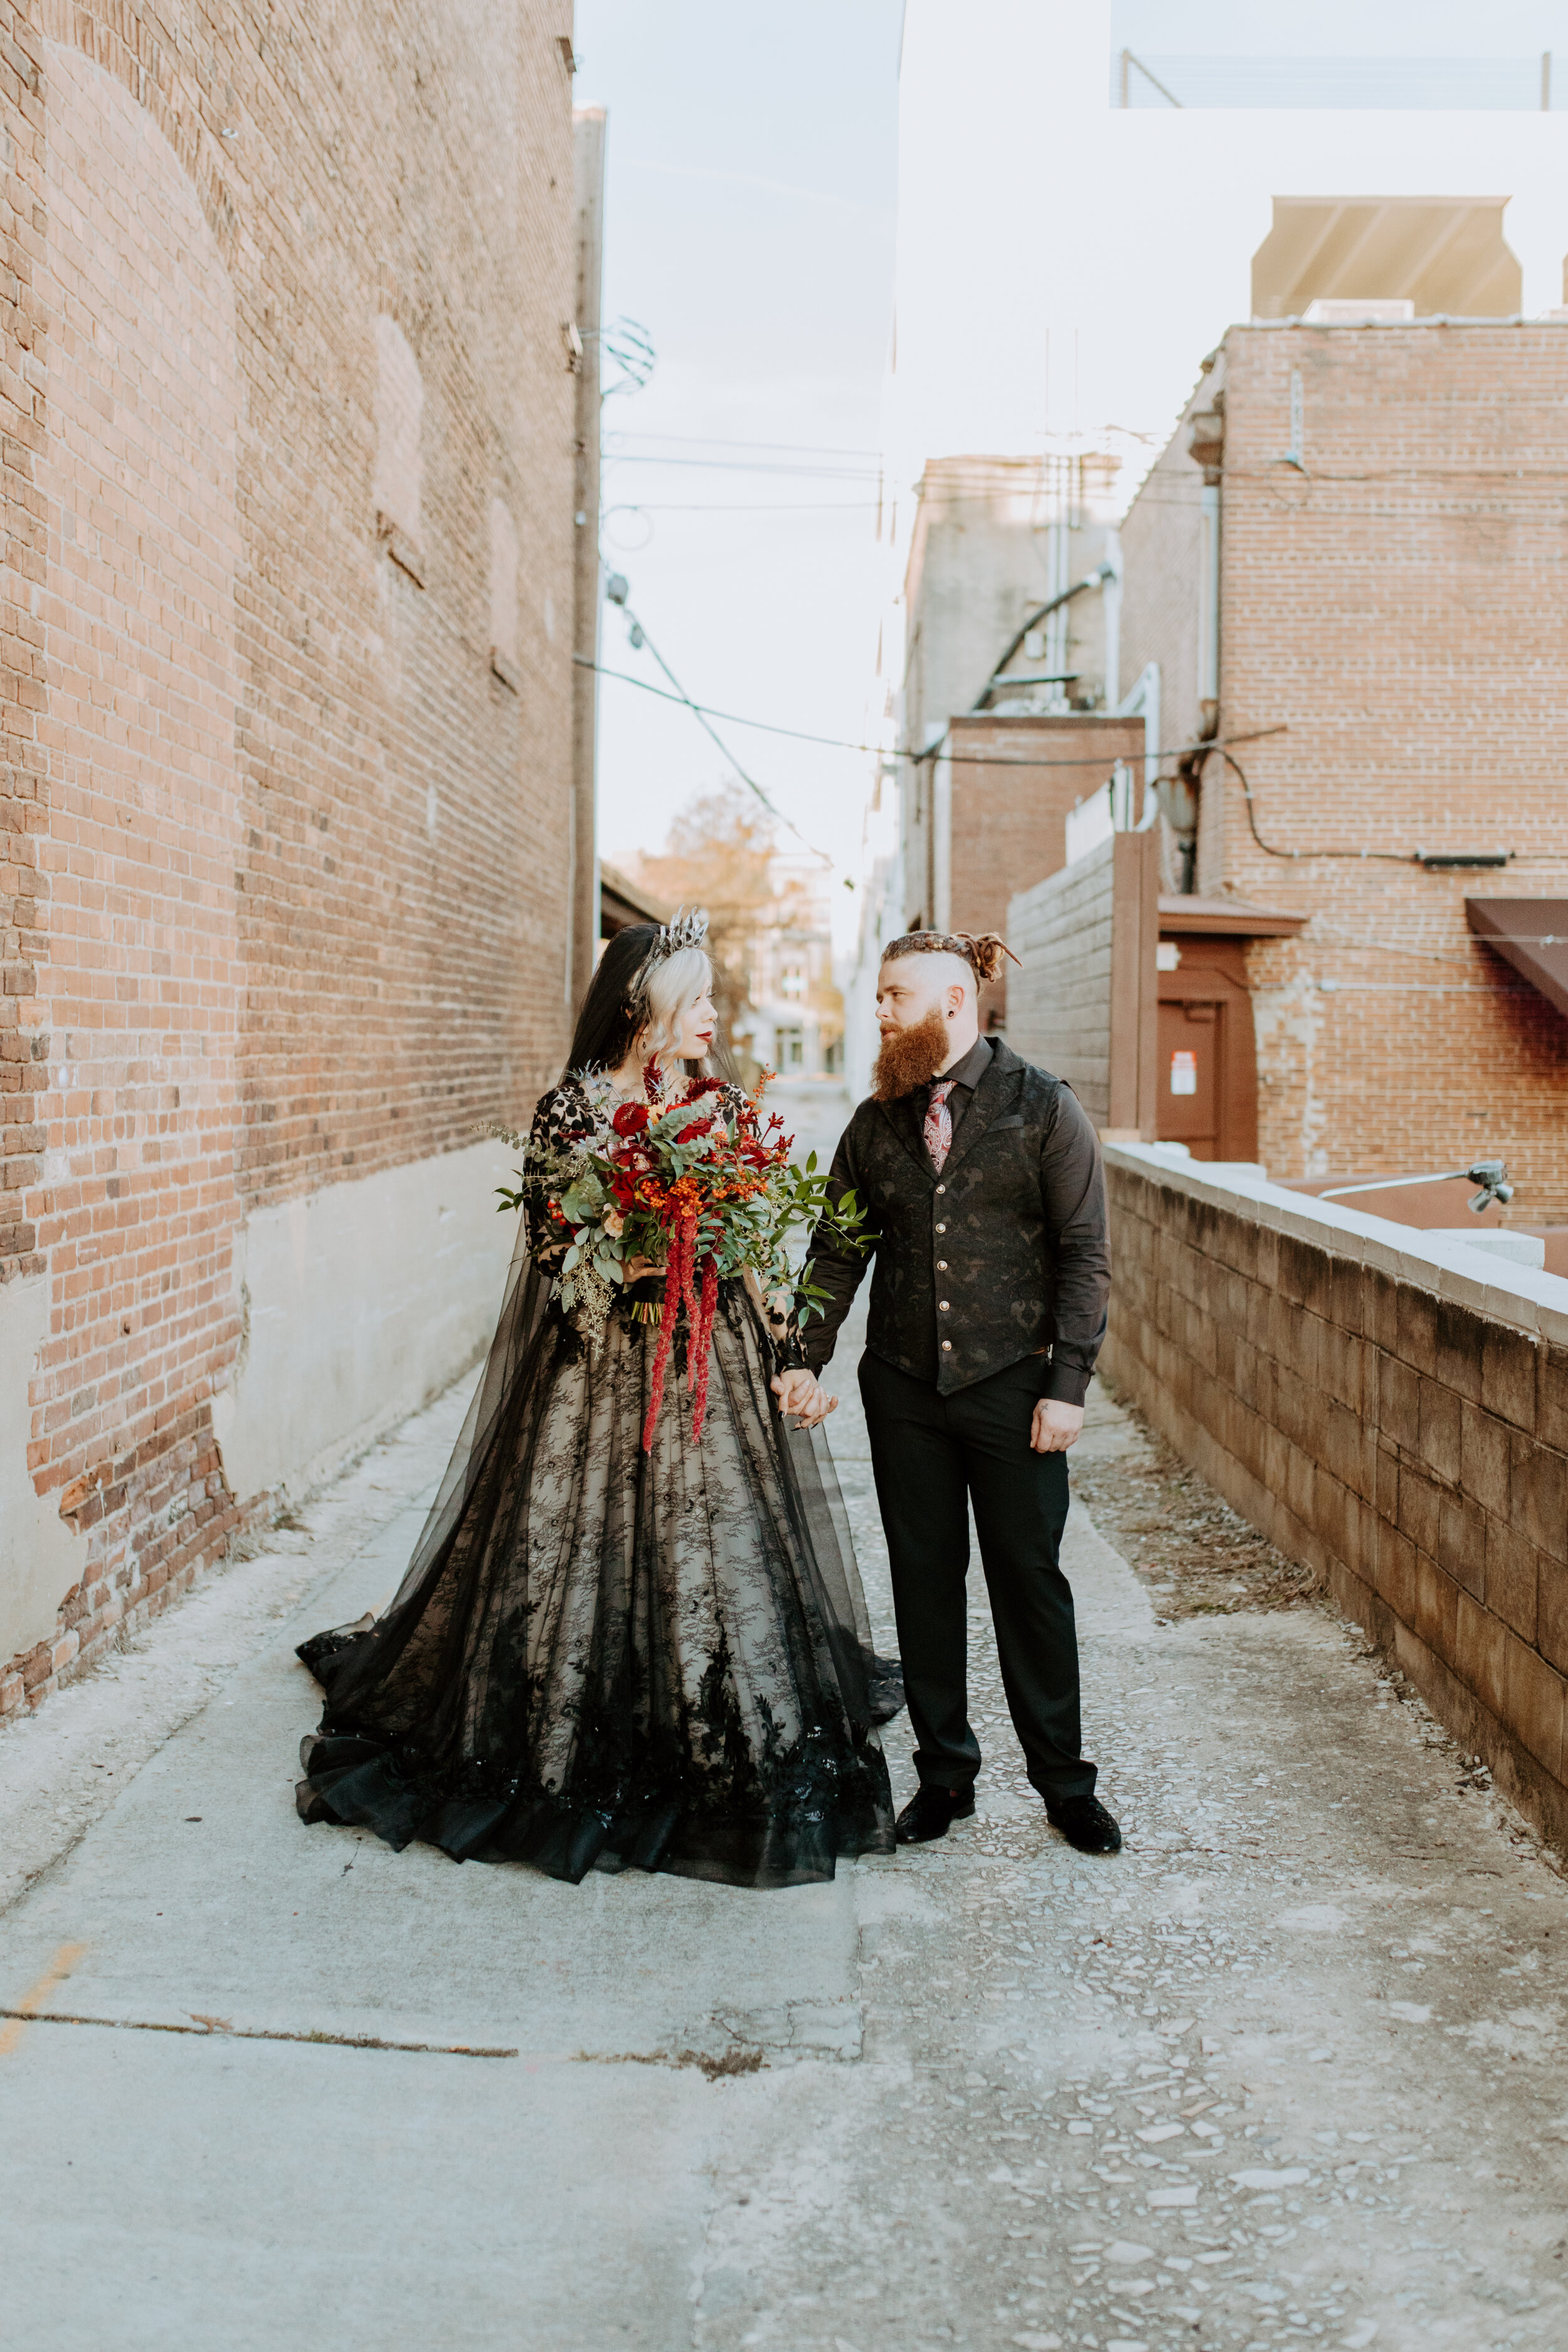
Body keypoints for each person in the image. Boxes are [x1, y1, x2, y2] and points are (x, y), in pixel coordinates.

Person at [294, 916, 900, 1888]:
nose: (714, 1014)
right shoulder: (570, 1112)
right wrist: (641, 1232)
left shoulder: (722, 1104)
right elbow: (548, 1250)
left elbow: (748, 1256)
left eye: (711, 998)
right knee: (582, 1546)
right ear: (644, 1007)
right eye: (698, 998)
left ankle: (703, 1720)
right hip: (601, 1365)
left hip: (706, 1360)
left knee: (706, 1548)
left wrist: (791, 1354)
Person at [791, 928, 1121, 1857]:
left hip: (1015, 1390)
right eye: (882, 995)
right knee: (924, 1583)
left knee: (1030, 1585)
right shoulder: (874, 1123)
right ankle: (945, 1779)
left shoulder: (1044, 1108)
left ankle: (1065, 1784)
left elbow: (1085, 1256)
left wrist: (1069, 1385)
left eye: (896, 995)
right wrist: (801, 1354)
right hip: (903, 1389)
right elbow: (836, 1249)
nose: (882, 1010)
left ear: (953, 1002)